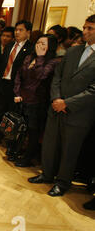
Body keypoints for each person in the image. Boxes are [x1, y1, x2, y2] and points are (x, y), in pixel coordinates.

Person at [28, 14, 95, 197]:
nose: (85, 31)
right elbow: (57, 77)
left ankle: (63, 182)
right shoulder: (73, 51)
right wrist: (57, 99)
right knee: (50, 144)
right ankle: (46, 174)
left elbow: (93, 90)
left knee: (69, 150)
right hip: (56, 108)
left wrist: (67, 103)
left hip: (79, 113)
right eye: (84, 27)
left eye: (90, 28)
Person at [0, 20, 33, 161]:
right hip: (3, 84)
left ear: (28, 32)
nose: (17, 32)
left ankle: (11, 145)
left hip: (17, 87)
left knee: (14, 116)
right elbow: (2, 65)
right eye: (16, 30)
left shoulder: (30, 49)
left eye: (21, 30)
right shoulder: (10, 45)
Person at [12, 35, 60, 167]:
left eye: (43, 43)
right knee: (22, 128)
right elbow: (18, 75)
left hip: (37, 101)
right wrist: (17, 92)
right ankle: (17, 151)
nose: (39, 45)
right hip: (22, 98)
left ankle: (28, 157)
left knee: (33, 131)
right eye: (38, 42)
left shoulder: (53, 61)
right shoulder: (29, 57)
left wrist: (40, 58)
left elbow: (41, 75)